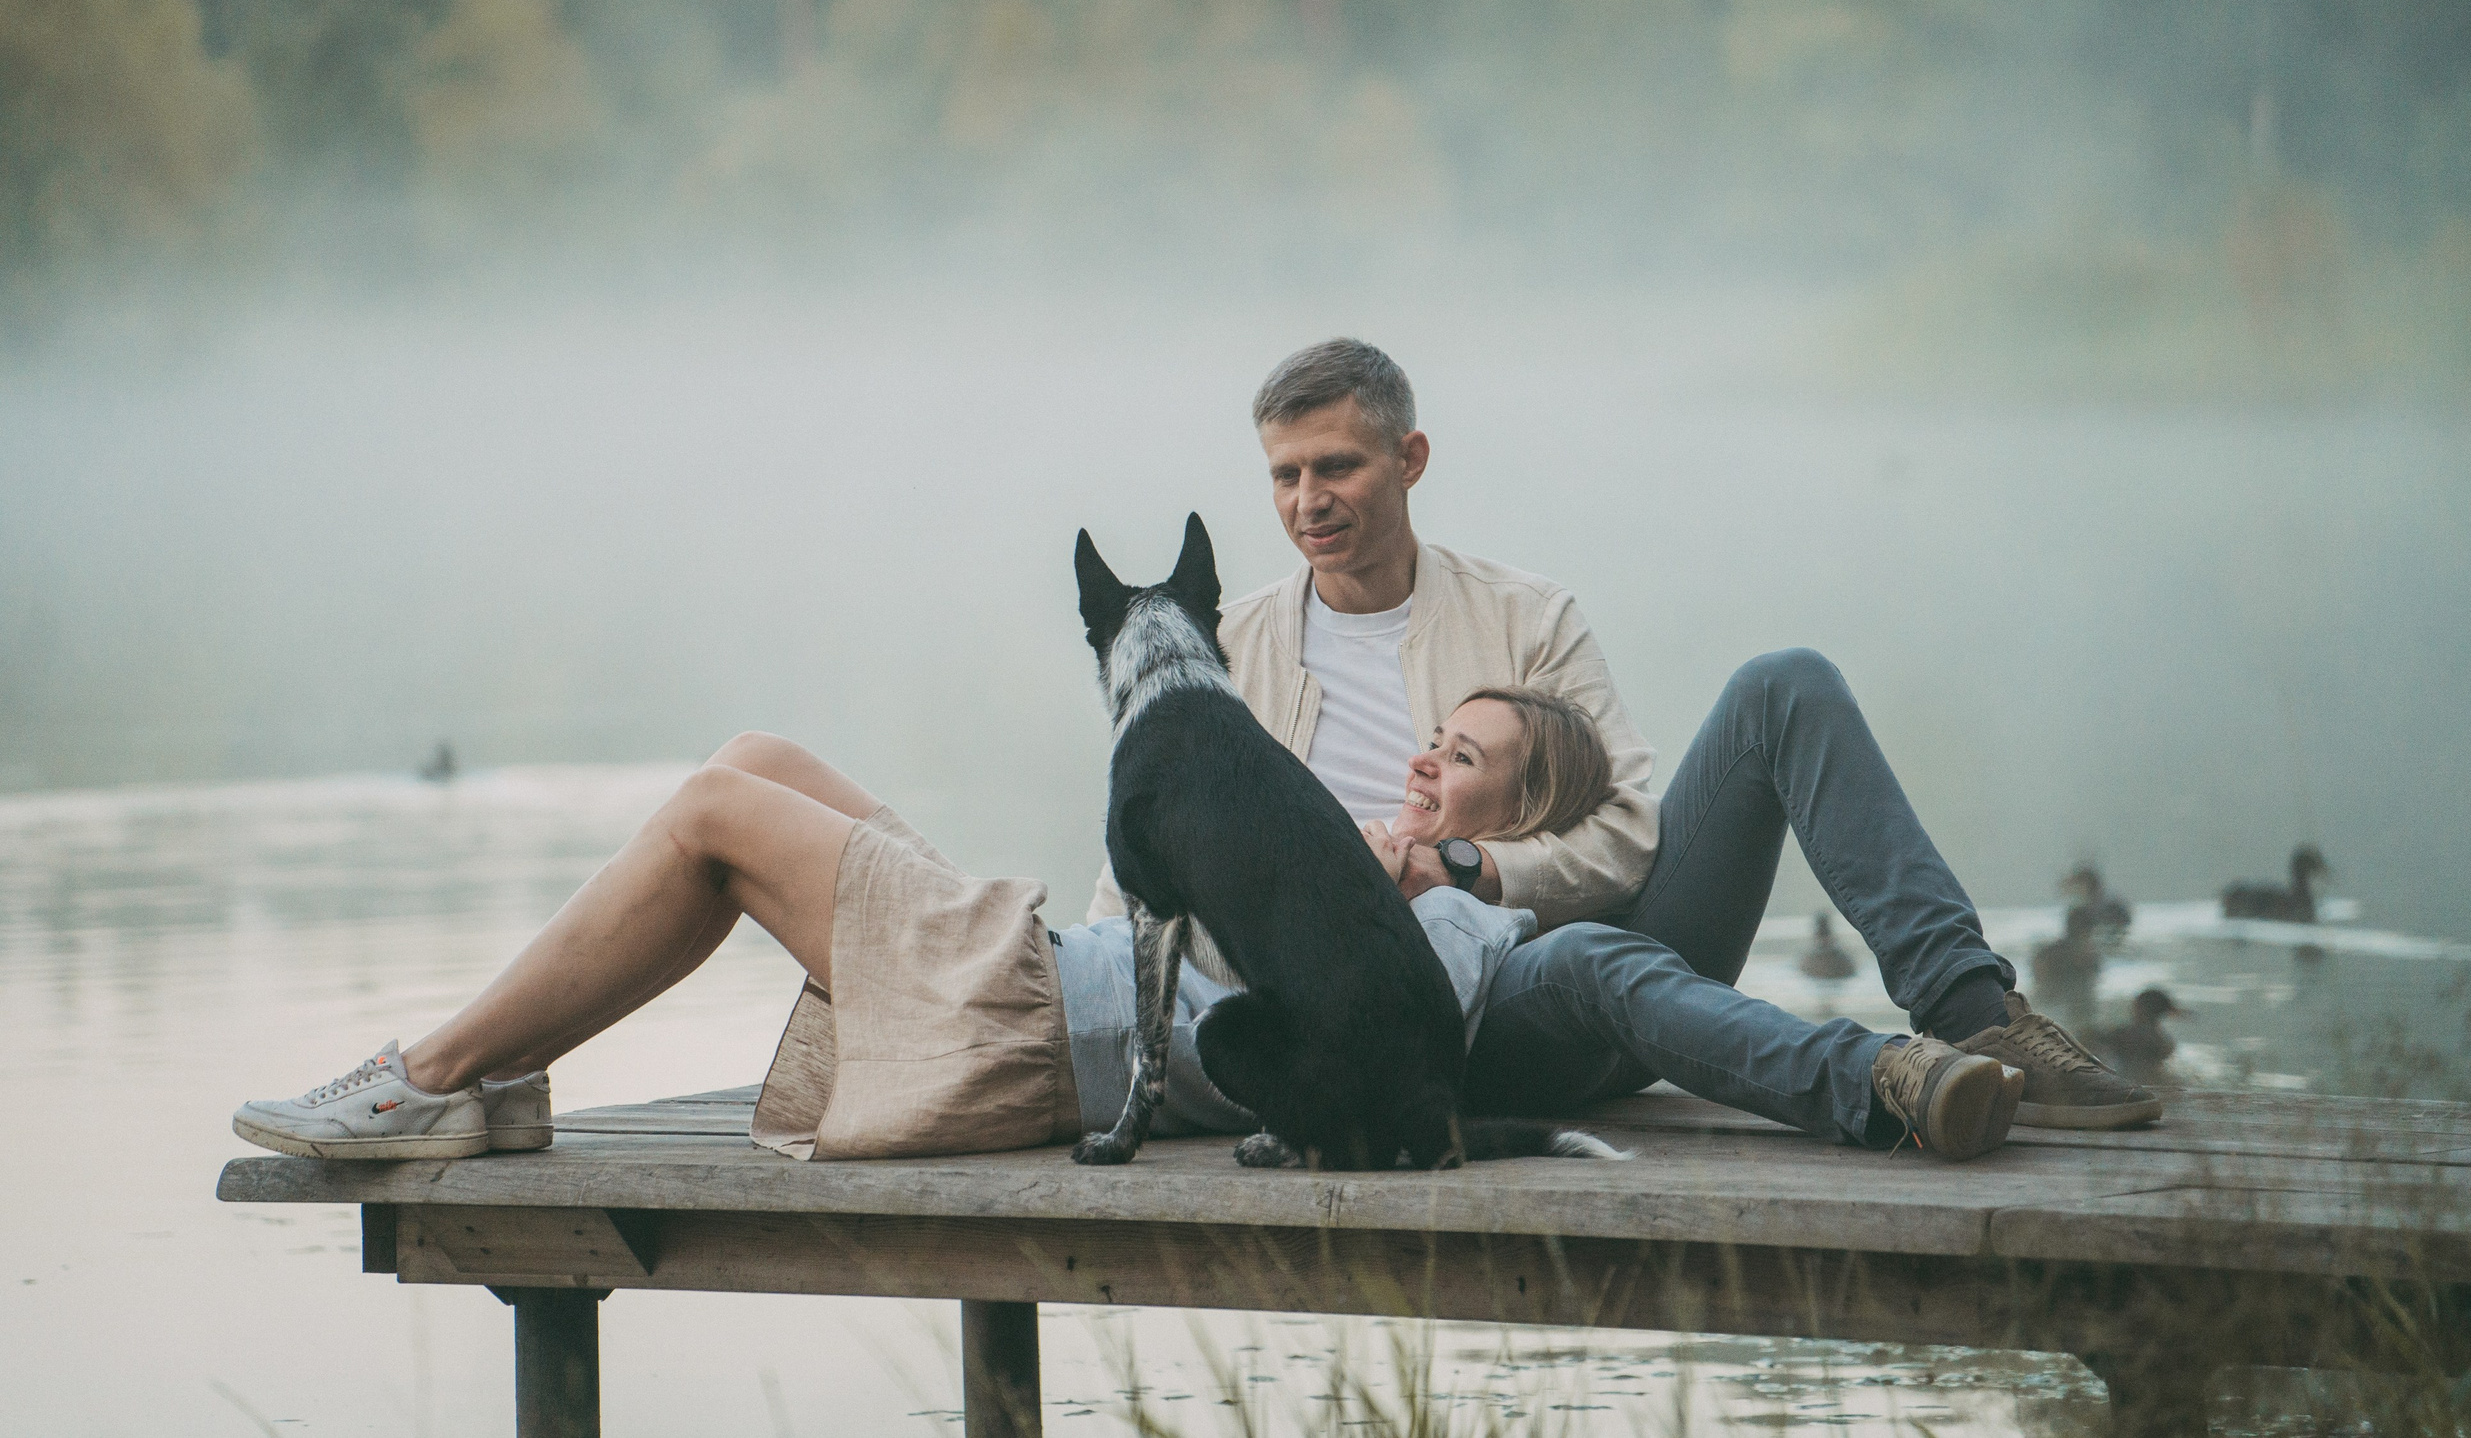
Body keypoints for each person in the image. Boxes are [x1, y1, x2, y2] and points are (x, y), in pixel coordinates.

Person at [1090, 337, 2161, 1154]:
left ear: (1409, 459)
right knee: (1584, 963)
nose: (1307, 502)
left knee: (1784, 685)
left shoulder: (1527, 615)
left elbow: (1628, 837)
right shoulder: (1224, 652)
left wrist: (1468, 868)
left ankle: (1977, 1018)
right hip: (1418, 1028)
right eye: (1283, 476)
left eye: (1335, 466)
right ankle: (1885, 1082)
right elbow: (1134, 901)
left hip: (1563, 942)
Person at [231, 686, 1608, 1163]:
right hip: (1035, 967)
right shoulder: (1368, 880)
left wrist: (1413, 882)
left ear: (1520, 821)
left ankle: (433, 1074)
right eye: (1433, 735)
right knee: (755, 756)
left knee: (714, 813)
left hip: (1023, 1025)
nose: (1424, 761)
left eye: (1463, 758)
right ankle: (508, 1077)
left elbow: (1352, 1043)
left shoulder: (1452, 935)